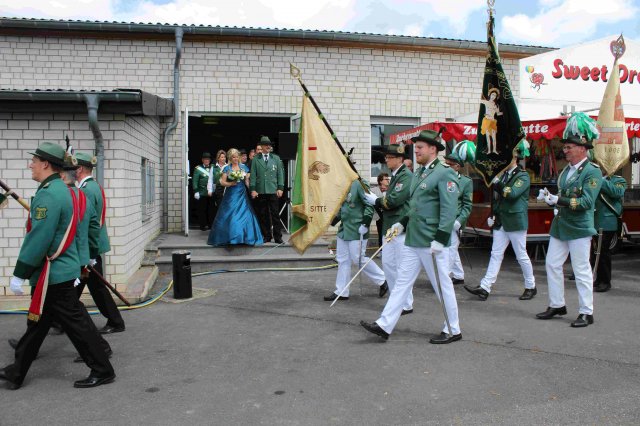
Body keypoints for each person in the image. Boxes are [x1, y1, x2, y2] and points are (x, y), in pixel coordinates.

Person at [0, 142, 115, 390]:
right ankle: (16, 372)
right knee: (39, 324)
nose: (30, 165)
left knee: (76, 324)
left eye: (33, 160)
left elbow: (40, 237)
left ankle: (102, 368)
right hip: (60, 270)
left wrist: (20, 273)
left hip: (54, 273)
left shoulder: (50, 194)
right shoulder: (64, 191)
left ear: (45, 164)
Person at [360, 129, 462, 344]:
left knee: (442, 285)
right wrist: (401, 223)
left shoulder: (444, 173)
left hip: (431, 240)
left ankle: (453, 329)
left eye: (420, 147)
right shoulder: (420, 173)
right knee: (402, 283)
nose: (416, 151)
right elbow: (415, 207)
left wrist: (441, 238)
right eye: (415, 147)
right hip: (414, 238)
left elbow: (449, 209)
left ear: (433, 149)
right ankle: (384, 324)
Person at [536, 134, 603, 327]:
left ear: (582, 149)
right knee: (552, 264)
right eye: (564, 148)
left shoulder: (592, 171)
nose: (565, 151)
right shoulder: (567, 170)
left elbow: (587, 202)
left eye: (569, 147)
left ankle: (586, 312)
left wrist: (559, 200)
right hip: (561, 224)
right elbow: (563, 195)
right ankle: (557, 304)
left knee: (581, 270)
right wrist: (551, 198)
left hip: (579, 226)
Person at [464, 141, 536, 301]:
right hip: (501, 220)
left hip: (515, 220)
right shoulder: (504, 175)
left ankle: (531, 285)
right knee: (495, 254)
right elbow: (498, 199)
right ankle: (485, 286)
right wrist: (493, 214)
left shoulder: (522, 176)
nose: (503, 161)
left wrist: (496, 182)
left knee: (521, 255)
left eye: (506, 158)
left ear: (515, 157)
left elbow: (511, 194)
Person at [75, 152, 126, 334]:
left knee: (92, 289)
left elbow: (89, 223)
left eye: (73, 168)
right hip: (91, 247)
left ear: (79, 168)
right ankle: (58, 320)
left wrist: (88, 254)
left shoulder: (86, 190)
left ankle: (115, 321)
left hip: (90, 248)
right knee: (83, 291)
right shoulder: (93, 186)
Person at [364, 145, 413, 313]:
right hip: (388, 227)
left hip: (400, 227)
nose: (386, 160)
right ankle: (396, 299)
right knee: (388, 265)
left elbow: (394, 201)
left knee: (400, 267)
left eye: (389, 157)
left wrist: (376, 201)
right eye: (386, 157)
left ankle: (406, 303)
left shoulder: (405, 176)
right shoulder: (396, 175)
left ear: (399, 159)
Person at [324, 179, 386, 301]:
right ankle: (341, 291)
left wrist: (365, 223)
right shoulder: (342, 184)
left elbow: (369, 204)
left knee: (358, 258)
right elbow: (343, 207)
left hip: (358, 229)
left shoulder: (359, 184)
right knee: (342, 260)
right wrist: (332, 221)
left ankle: (383, 280)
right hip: (344, 230)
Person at [208, 148, 263, 246]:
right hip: (230, 194)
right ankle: (230, 237)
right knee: (229, 215)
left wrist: (252, 191)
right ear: (230, 158)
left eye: (237, 156)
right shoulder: (227, 168)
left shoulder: (244, 167)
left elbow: (246, 181)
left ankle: (244, 238)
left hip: (242, 194)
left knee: (245, 215)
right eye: (233, 157)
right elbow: (222, 182)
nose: (236, 159)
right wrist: (230, 183)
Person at [591, 172, 627, 292]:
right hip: (595, 220)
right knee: (596, 252)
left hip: (607, 222)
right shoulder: (595, 178)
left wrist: (601, 180)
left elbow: (617, 193)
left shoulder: (619, 180)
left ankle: (606, 282)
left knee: (603, 252)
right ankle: (599, 279)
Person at [444, 151, 473, 285]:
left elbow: (467, 205)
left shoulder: (466, 182)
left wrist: (459, 221)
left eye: (450, 164)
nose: (447, 166)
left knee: (450, 250)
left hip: (455, 221)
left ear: (457, 166)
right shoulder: (442, 179)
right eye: (446, 163)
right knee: (451, 249)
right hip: (443, 219)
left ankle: (444, 278)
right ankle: (459, 275)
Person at [249, 136, 285, 244]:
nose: (269, 146)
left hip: (273, 190)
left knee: (275, 214)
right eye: (266, 145)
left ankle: (278, 237)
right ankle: (267, 235)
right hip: (261, 190)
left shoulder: (276, 158)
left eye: (269, 145)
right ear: (262, 146)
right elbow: (253, 176)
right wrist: (253, 189)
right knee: (263, 215)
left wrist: (280, 187)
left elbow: (280, 174)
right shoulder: (256, 159)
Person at [193, 152, 215, 231]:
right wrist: (196, 191)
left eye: (208, 159)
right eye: (205, 159)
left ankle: (210, 224)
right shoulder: (198, 168)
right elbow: (195, 181)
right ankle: (203, 225)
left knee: (211, 210)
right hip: (202, 192)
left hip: (211, 192)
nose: (206, 160)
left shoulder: (213, 167)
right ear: (202, 160)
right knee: (202, 210)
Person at [370, 172, 389, 247]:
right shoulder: (373, 190)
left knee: (388, 233)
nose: (388, 180)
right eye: (386, 179)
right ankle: (381, 249)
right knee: (380, 232)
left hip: (389, 215)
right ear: (380, 181)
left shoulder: (391, 189)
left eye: (388, 178)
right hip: (379, 216)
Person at [208, 149, 227, 218]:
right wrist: (209, 190)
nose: (223, 158)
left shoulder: (227, 166)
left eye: (224, 157)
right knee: (217, 208)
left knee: (225, 208)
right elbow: (210, 179)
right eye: (222, 157)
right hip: (217, 190)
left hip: (225, 189)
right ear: (218, 158)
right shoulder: (213, 167)